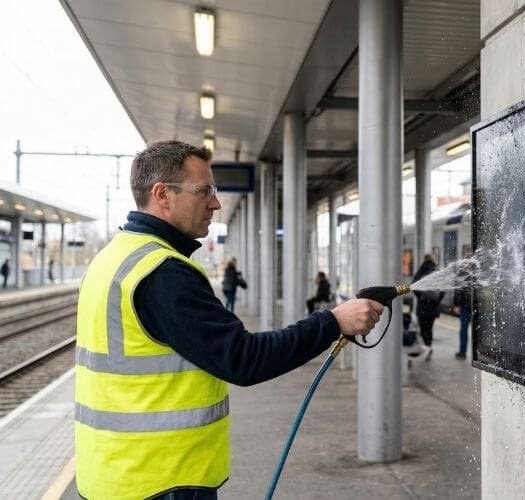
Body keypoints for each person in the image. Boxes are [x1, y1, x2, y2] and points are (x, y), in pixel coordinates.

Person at [74, 140, 383, 500]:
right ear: (163, 195)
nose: (216, 203)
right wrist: (333, 322)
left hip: (114, 473)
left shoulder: (112, 258)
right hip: (161, 480)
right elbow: (243, 358)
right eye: (203, 191)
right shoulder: (162, 274)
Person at [412, 253, 442, 361]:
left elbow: (413, 286)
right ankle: (429, 346)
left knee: (423, 328)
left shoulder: (421, 271)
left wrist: (420, 297)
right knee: (429, 328)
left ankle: (427, 348)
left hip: (423, 306)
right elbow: (443, 290)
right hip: (433, 307)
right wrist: (438, 300)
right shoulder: (436, 271)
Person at [452, 261, 475, 359]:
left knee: (464, 330)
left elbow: (457, 291)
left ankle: (462, 352)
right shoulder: (476, 274)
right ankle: (477, 355)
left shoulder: (460, 274)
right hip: (474, 307)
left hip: (465, 307)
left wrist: (456, 305)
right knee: (477, 332)